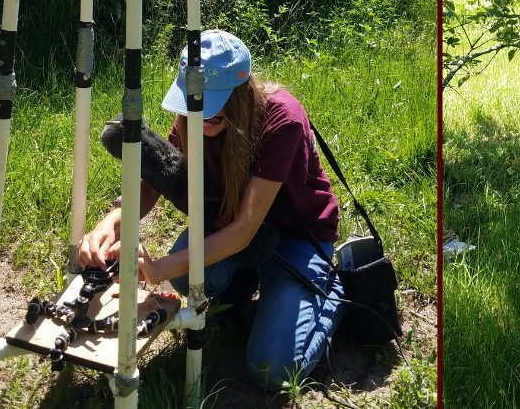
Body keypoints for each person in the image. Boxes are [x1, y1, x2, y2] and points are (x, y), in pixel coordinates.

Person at [78, 29, 343, 389]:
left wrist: (158, 269)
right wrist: (112, 222)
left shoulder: (284, 120)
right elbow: (160, 179)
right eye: (193, 110)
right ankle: (245, 285)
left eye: (212, 114)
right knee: (188, 276)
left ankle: (335, 291)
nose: (200, 122)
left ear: (239, 98)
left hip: (296, 236)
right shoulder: (193, 112)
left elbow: (245, 229)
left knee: (272, 371)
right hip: (234, 226)